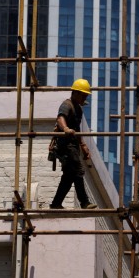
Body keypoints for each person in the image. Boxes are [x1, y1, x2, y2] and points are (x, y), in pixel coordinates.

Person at [49, 78, 96, 209]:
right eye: (83, 95)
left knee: (69, 176)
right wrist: (65, 129)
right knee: (78, 170)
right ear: (75, 93)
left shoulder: (78, 110)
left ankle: (56, 204)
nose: (84, 98)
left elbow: (77, 129)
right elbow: (60, 118)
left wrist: (83, 145)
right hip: (66, 145)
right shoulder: (67, 105)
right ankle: (84, 202)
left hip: (73, 145)